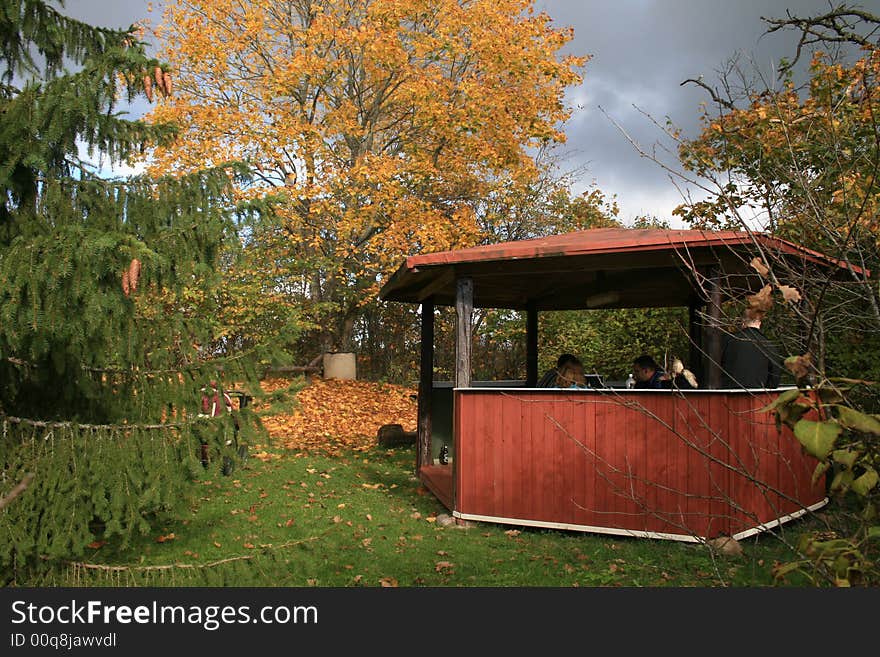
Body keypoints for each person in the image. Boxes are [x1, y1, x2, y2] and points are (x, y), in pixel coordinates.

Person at [720, 308, 782, 389]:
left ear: (743, 322)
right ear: (759, 323)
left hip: (727, 396)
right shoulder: (768, 345)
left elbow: (714, 366)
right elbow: (775, 376)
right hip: (758, 396)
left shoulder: (728, 340)